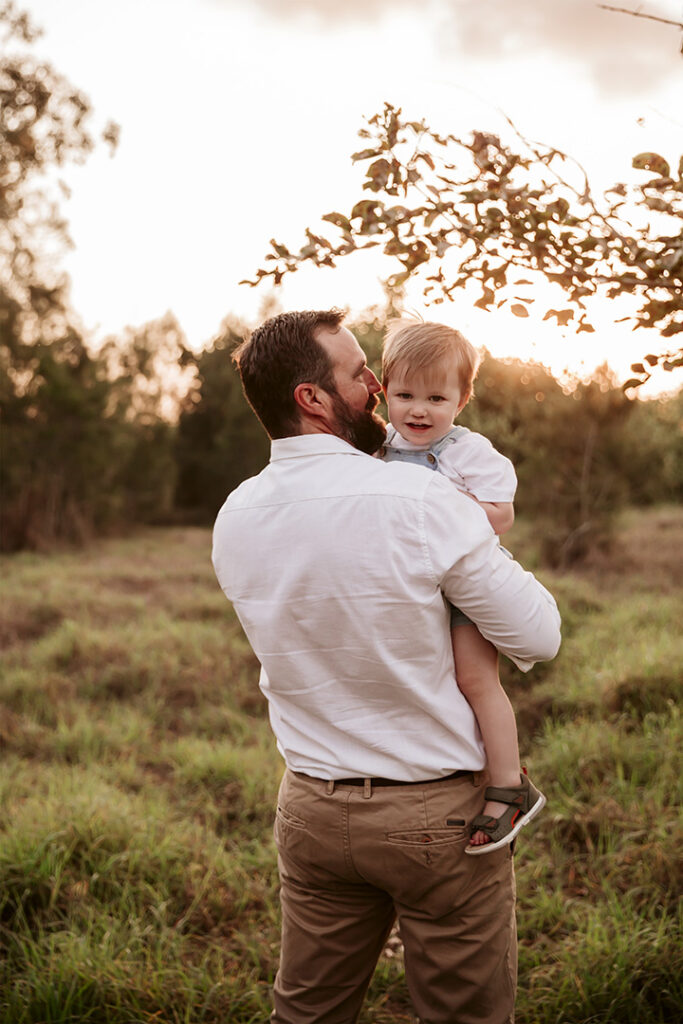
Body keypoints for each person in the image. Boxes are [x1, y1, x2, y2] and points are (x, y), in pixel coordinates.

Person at [212, 308, 561, 1024]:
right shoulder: (424, 498)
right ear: (313, 399)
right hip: (434, 816)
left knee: (306, 1011)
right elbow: (539, 635)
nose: (376, 384)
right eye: (357, 373)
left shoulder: (236, 513)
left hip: (310, 807)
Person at [379, 318, 545, 855]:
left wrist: (444, 513)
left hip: (463, 586)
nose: (418, 410)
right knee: (425, 677)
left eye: (435, 396)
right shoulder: (379, 448)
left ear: (462, 398)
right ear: (384, 392)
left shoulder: (467, 452)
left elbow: (501, 515)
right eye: (403, 395)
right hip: (411, 586)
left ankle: (508, 788)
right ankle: (440, 770)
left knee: (476, 680)